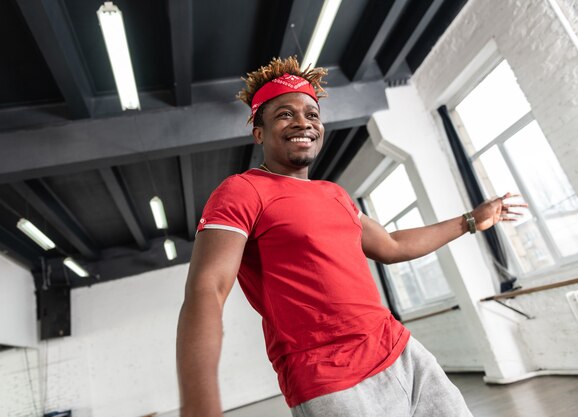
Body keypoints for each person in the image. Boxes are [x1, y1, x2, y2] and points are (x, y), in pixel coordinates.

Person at [176, 56, 525, 417]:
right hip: (328, 378)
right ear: (259, 132)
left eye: (312, 114)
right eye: (284, 114)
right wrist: (199, 405)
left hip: (400, 351)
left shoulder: (335, 194)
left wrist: (470, 220)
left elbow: (392, 245)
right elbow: (207, 289)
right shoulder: (242, 191)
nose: (303, 123)